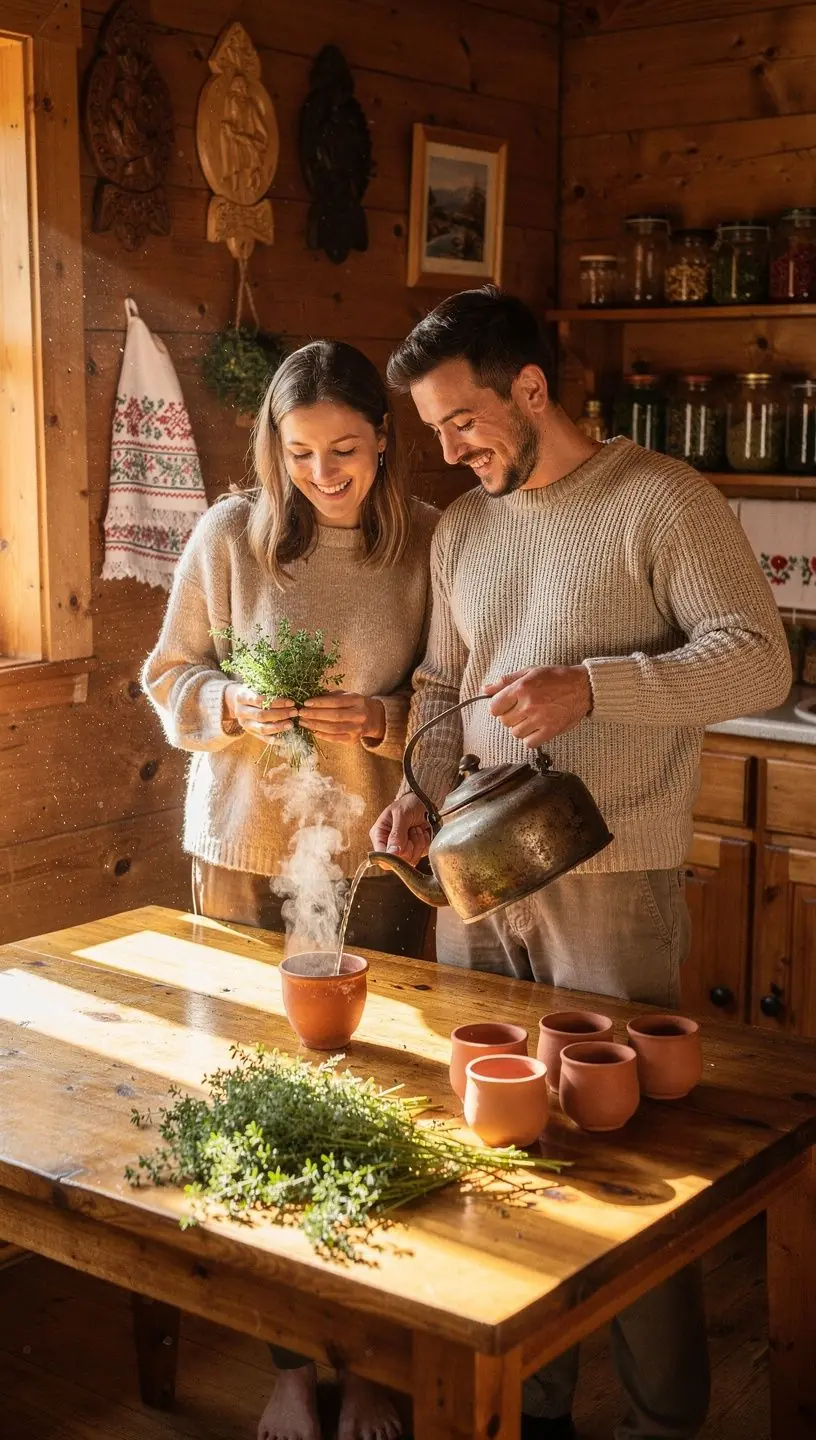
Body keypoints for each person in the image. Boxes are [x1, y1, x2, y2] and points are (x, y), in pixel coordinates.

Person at [371, 286, 791, 1440]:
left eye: (462, 423)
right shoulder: (465, 529)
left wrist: (596, 686)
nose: (450, 453)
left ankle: (665, 1420)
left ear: (531, 389)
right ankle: (532, 1410)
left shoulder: (660, 497)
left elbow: (760, 665)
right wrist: (414, 794)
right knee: (494, 1154)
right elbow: (444, 692)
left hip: (611, 882)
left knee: (628, 1164)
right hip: (475, 882)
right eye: (434, 433)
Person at [143, 339, 437, 1440]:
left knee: (379, 1103)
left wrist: (382, 720)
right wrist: (227, 706)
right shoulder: (229, 538)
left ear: (384, 440)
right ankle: (285, 1359)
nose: (324, 473)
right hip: (243, 855)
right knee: (255, 1096)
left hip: (379, 863)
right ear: (273, 446)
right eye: (301, 452)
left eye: (347, 451)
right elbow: (168, 676)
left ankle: (367, 1364)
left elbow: (450, 699)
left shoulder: (428, 545)